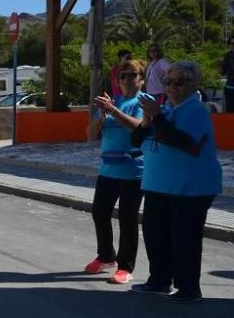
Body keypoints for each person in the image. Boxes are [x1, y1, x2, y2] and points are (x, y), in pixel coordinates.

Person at [130, 60, 221, 303]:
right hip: (158, 185)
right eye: (168, 81)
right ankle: (159, 280)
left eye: (180, 82)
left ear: (194, 84)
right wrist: (148, 120)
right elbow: (137, 139)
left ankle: (189, 288)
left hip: (190, 189)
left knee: (185, 239)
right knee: (155, 235)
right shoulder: (166, 110)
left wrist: (157, 116)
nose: (172, 86)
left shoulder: (195, 111)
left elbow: (183, 142)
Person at [87, 61, 147, 285]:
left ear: (141, 79)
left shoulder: (142, 102)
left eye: (133, 75)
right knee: (100, 213)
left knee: (127, 218)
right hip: (108, 170)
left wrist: (113, 111)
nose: (127, 79)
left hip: (133, 171)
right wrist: (102, 116)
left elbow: (139, 127)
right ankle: (105, 257)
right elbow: (90, 134)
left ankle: (125, 267)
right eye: (123, 75)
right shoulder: (113, 102)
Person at [221, 37, 234, 113]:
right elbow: (223, 72)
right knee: (229, 112)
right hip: (229, 88)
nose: (232, 45)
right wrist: (219, 66)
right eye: (231, 43)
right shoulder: (227, 56)